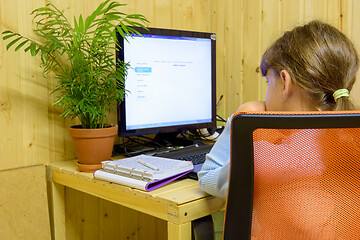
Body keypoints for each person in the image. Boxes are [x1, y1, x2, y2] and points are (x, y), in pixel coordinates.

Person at [198, 20, 359, 199]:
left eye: (268, 82)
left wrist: (241, 122)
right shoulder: (350, 146)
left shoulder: (268, 158)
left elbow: (207, 177)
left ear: (285, 82)